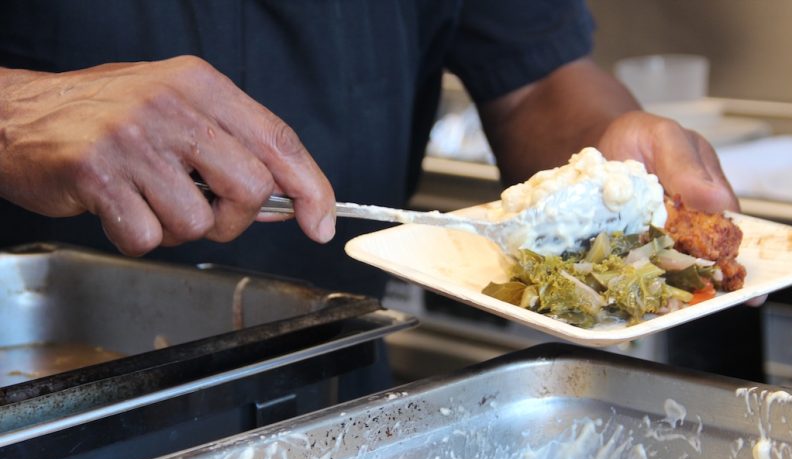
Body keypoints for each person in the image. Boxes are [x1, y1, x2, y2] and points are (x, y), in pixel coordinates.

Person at [0, 1, 738, 395]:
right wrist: (15, 112)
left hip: (331, 393)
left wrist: (600, 170)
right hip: (38, 398)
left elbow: (537, 80)